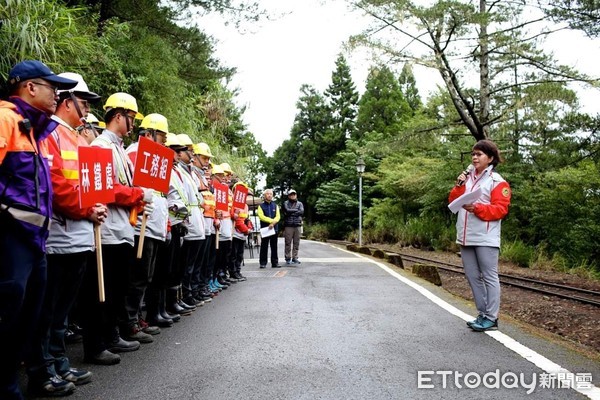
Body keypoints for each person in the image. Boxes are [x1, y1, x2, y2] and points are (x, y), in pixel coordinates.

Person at [0, 60, 77, 400]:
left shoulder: (34, 129)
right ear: (30, 87)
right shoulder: (5, 119)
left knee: (33, 317)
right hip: (10, 239)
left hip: (35, 242)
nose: (57, 93)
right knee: (8, 317)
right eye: (51, 86)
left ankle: (28, 379)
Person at [25, 72, 106, 396]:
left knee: (61, 308)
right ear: (66, 99)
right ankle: (46, 363)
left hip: (81, 236)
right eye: (83, 101)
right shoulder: (51, 134)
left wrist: (94, 207)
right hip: (59, 237)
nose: (86, 108)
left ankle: (58, 360)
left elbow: (88, 185)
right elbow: (56, 184)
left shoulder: (77, 138)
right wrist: (85, 210)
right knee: (49, 308)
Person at [79, 93, 151, 365]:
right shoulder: (101, 146)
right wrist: (138, 195)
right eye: (131, 118)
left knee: (118, 288)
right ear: (118, 116)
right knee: (102, 290)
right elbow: (107, 189)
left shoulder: (119, 148)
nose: (132, 124)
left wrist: (138, 201)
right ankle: (97, 342)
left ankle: (111, 335)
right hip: (106, 231)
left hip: (123, 229)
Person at [448, 139, 511, 332]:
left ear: (490, 158)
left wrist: (477, 208)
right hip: (466, 236)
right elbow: (453, 200)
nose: (475, 157)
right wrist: (459, 186)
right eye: (473, 154)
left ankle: (491, 317)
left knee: (489, 276)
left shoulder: (497, 182)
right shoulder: (466, 179)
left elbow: (500, 209)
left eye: (479, 154)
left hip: (486, 237)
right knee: (473, 276)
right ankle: (482, 314)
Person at [123, 113, 170, 343]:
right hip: (140, 226)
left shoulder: (156, 157)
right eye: (161, 136)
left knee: (146, 276)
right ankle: (129, 321)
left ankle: (135, 318)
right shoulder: (135, 152)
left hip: (152, 226)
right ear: (149, 133)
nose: (163, 141)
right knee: (137, 276)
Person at [257, 188, 281, 268]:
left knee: (274, 246)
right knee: (264, 246)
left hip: (274, 228)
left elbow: (278, 216)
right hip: (265, 229)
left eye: (271, 194)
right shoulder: (261, 206)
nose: (269, 195)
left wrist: (273, 223)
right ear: (264, 195)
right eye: (268, 194)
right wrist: (271, 221)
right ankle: (263, 263)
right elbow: (261, 216)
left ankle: (275, 263)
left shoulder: (275, 205)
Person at [282, 189, 304, 265]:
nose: (293, 196)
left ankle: (295, 257)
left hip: (297, 225)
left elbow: (301, 212)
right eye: (291, 194)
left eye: (294, 194)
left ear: (296, 195)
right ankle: (288, 258)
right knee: (288, 242)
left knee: (296, 242)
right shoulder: (285, 203)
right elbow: (286, 211)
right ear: (288, 196)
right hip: (288, 225)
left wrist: (291, 212)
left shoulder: (300, 203)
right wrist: (295, 211)